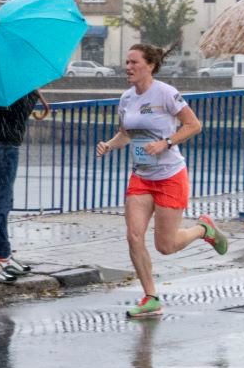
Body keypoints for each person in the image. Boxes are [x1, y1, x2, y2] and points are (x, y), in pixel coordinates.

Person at [96, 45, 229, 318]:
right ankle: (151, 297)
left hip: (170, 176)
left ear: (150, 65)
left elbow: (194, 125)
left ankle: (203, 229)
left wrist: (166, 142)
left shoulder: (166, 93)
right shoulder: (126, 98)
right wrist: (109, 145)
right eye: (127, 62)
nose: (128, 67)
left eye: (134, 62)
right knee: (134, 236)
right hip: (141, 177)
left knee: (166, 246)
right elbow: (125, 134)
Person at [0, 90, 50, 283]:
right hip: (2, 145)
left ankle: (3, 256)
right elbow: (19, 113)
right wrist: (32, 95)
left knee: (2, 201)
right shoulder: (15, 86)